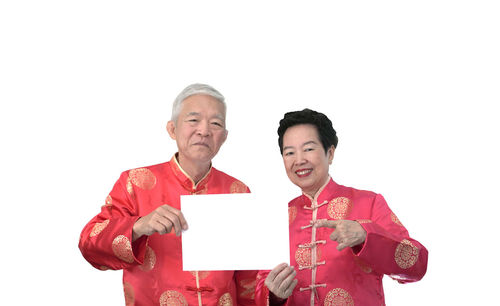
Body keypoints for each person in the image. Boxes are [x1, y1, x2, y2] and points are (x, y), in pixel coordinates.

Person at [79, 84, 257, 306]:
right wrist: (137, 226)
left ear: (224, 137)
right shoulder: (134, 183)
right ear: (172, 129)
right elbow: (89, 244)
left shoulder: (239, 191)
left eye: (216, 123)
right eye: (193, 120)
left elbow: (249, 278)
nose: (204, 131)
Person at [255, 109, 428, 306]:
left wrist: (366, 235)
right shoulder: (276, 217)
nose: (299, 160)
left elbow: (416, 265)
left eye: (309, 149)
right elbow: (258, 287)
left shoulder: (369, 203)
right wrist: (275, 296)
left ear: (330, 153)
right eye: (289, 152)